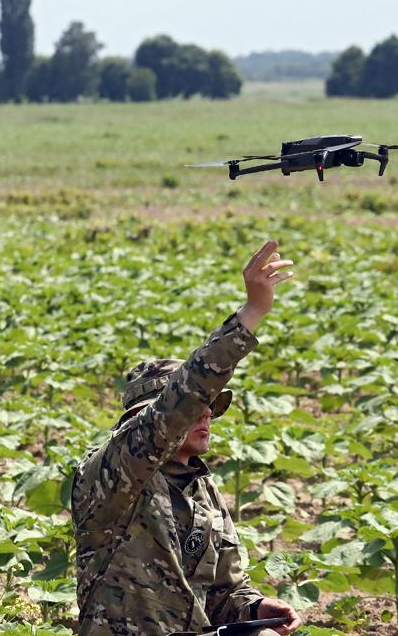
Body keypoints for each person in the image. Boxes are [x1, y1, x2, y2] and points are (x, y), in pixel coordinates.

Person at [71, 240, 303, 636]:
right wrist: (251, 313)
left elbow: (222, 592)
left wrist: (256, 608)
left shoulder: (201, 489)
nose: (207, 413)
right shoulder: (116, 472)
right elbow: (181, 399)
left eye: (212, 405)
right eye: (196, 406)